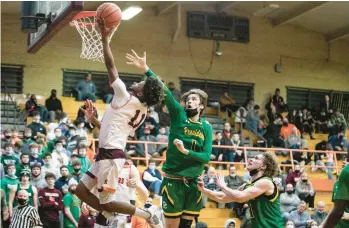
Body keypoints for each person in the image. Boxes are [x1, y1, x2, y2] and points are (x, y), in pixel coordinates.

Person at [75, 17, 164, 227]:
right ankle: (111, 214)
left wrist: (104, 39)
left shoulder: (125, 95)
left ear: (142, 91)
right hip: (109, 153)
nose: (135, 81)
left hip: (110, 156)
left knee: (107, 204)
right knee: (79, 191)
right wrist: (94, 120)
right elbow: (111, 129)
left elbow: (110, 65)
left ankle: (148, 214)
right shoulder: (141, 109)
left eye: (140, 82)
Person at [126, 49, 213, 228]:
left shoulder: (206, 127)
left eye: (194, 99)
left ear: (201, 106)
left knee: (186, 226)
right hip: (173, 181)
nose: (189, 101)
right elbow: (164, 91)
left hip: (194, 183)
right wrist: (146, 69)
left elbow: (206, 157)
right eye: (188, 99)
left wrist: (185, 151)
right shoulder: (178, 114)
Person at [198, 152, 283, 228]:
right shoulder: (247, 186)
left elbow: (240, 197)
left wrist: (223, 186)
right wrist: (203, 189)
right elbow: (222, 197)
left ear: (263, 166)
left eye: (256, 158)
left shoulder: (266, 182)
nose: (250, 159)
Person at [320, 155, 349, 228]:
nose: (344, 163)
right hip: (338, 224)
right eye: (343, 161)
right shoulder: (337, 184)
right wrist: (322, 225)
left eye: (347, 161)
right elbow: (335, 208)